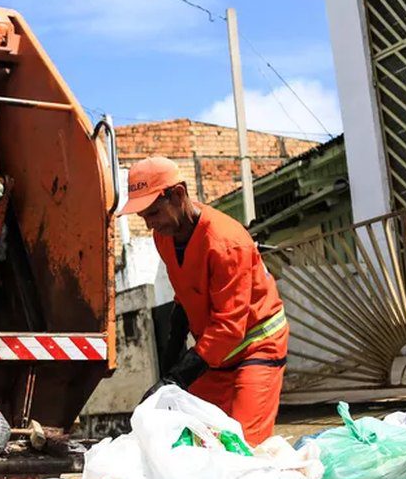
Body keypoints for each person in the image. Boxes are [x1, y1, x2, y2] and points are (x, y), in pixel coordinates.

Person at [119, 155, 288, 445]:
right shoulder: (165, 237)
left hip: (256, 347)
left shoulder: (226, 243)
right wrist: (170, 367)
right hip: (216, 353)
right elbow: (185, 296)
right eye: (143, 217)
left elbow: (230, 326)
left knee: (244, 446)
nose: (149, 225)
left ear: (179, 194)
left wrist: (177, 378)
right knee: (196, 439)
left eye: (154, 213)